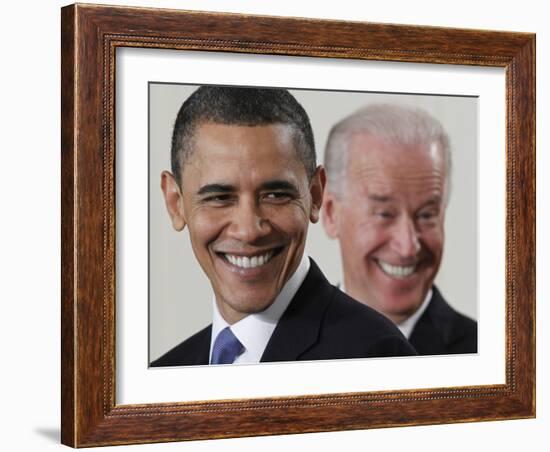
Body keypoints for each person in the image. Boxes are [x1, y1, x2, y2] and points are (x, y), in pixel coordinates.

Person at [151, 87, 416, 367]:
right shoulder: (162, 375)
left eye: (275, 195)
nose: (249, 230)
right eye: (219, 198)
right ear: (175, 202)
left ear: (315, 194)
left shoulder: (377, 358)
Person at [322, 103, 477, 355]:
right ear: (330, 213)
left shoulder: (493, 355)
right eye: (384, 214)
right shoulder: (278, 348)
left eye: (426, 215)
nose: (408, 247)